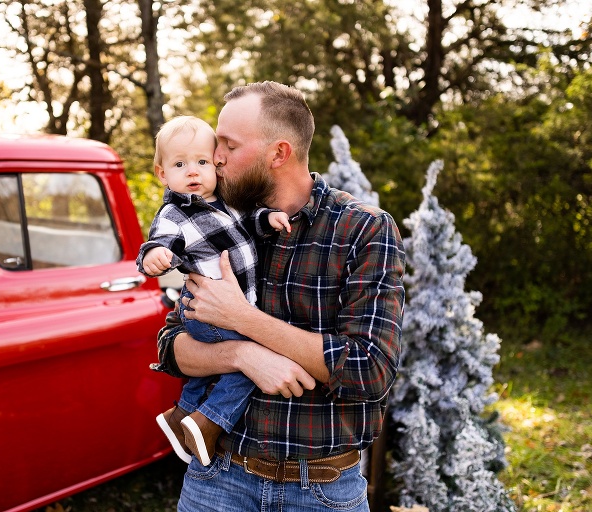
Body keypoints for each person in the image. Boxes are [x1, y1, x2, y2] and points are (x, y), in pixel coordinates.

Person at [153, 82, 406, 511]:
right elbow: (172, 347)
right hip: (217, 479)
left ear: (278, 153)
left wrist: (243, 320)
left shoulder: (363, 230)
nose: (215, 157)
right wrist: (241, 357)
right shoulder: (215, 222)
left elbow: (370, 371)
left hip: (323, 491)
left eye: (229, 146)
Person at [136, 115, 291, 467]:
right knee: (253, 361)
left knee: (228, 362)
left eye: (202, 162)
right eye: (180, 164)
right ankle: (209, 422)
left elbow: (248, 222)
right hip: (208, 309)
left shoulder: (226, 201)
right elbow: (156, 244)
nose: (193, 172)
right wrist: (155, 257)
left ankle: (182, 415)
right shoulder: (174, 214)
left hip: (234, 304)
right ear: (163, 174)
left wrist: (267, 219)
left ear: (216, 166)